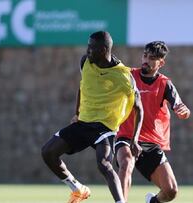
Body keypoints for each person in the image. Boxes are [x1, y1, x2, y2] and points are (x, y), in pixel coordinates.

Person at [41, 31, 144, 203]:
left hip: (104, 128)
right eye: (88, 47)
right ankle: (78, 189)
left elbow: (139, 108)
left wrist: (135, 140)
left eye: (91, 48)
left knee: (104, 164)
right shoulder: (85, 62)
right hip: (83, 124)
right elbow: (84, 87)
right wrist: (77, 113)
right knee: (48, 152)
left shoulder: (124, 76)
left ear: (103, 50)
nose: (87, 51)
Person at [115, 41, 191, 203]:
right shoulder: (128, 76)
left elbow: (179, 104)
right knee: (127, 162)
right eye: (144, 56)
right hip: (126, 136)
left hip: (150, 143)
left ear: (161, 63)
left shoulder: (165, 84)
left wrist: (183, 111)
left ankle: (152, 202)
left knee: (170, 191)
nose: (146, 60)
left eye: (152, 58)